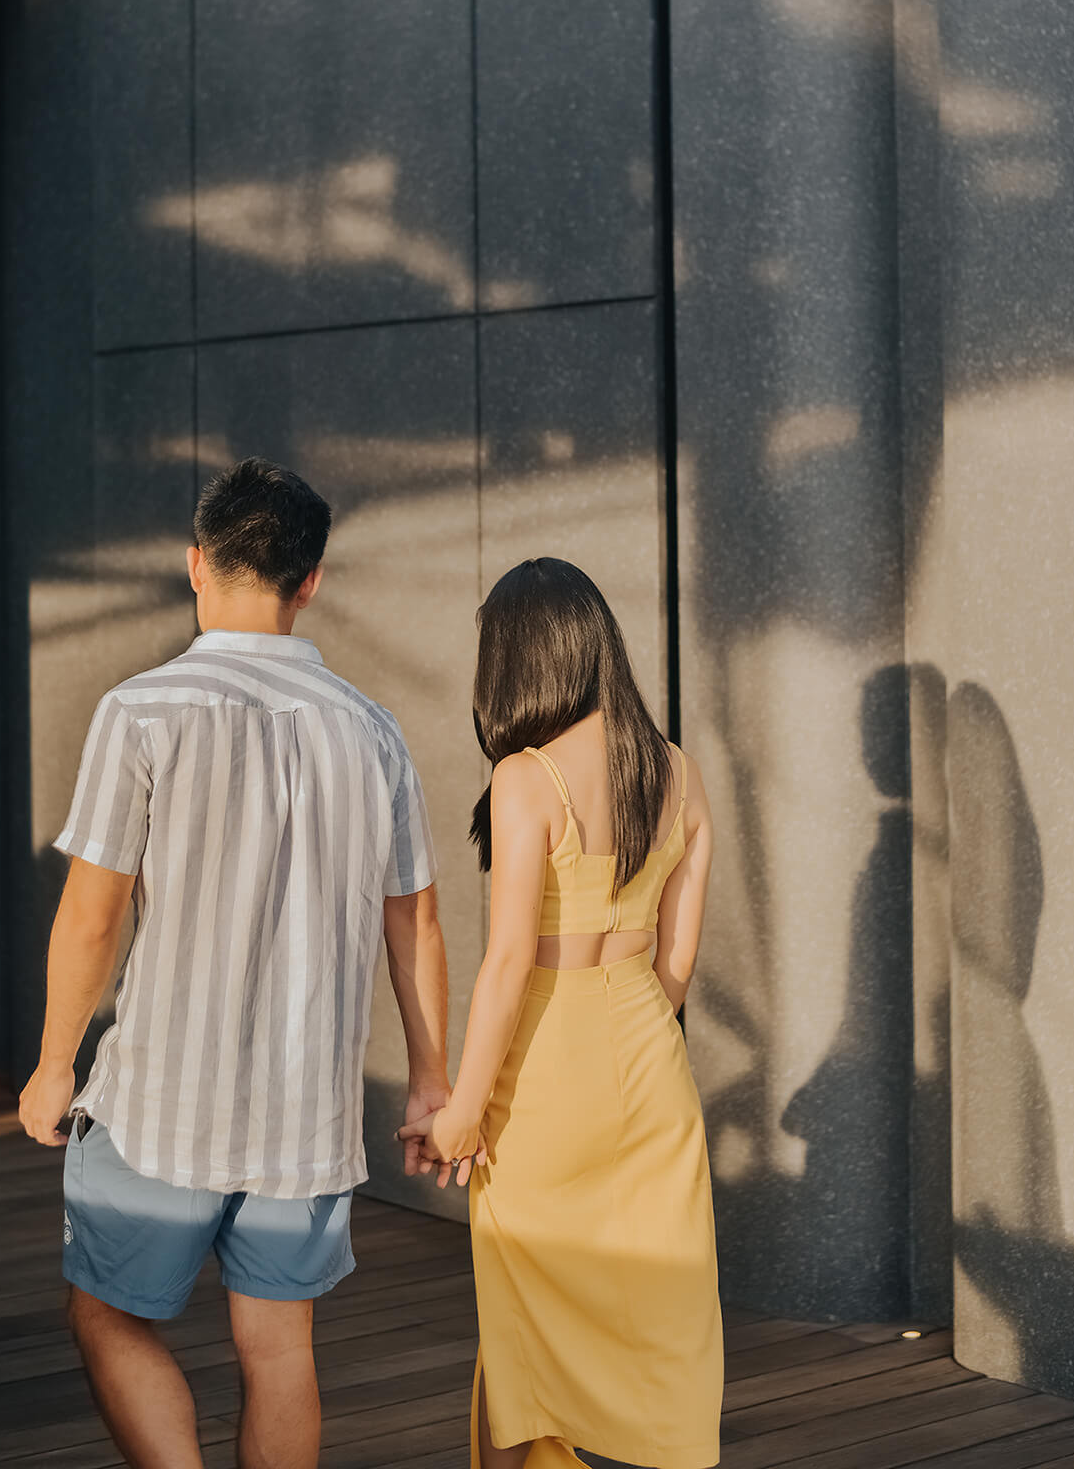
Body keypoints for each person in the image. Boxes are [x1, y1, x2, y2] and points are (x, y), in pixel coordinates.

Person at [18, 457, 461, 1469]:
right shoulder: (371, 731)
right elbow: (418, 923)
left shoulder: (141, 710)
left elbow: (93, 915)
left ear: (193, 564)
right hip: (304, 1114)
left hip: (159, 1105)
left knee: (104, 1314)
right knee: (278, 1349)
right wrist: (431, 1078)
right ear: (310, 581)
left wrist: (53, 1063)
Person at [399, 557, 725, 1468]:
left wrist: (461, 1109)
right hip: (648, 1053)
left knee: (523, 1319)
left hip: (546, 1065)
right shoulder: (677, 771)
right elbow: (680, 961)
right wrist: (631, 1029)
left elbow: (508, 964)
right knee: (661, 1313)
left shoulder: (525, 778)